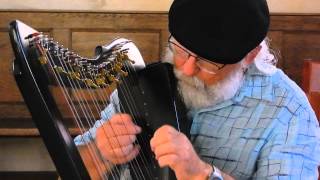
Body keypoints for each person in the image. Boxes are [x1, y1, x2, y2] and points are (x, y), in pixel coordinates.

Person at [75, 0, 320, 179]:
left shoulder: (288, 109)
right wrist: (99, 152)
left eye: (208, 62)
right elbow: (69, 171)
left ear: (250, 56)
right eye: (181, 50)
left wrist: (200, 173)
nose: (188, 69)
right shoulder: (146, 82)